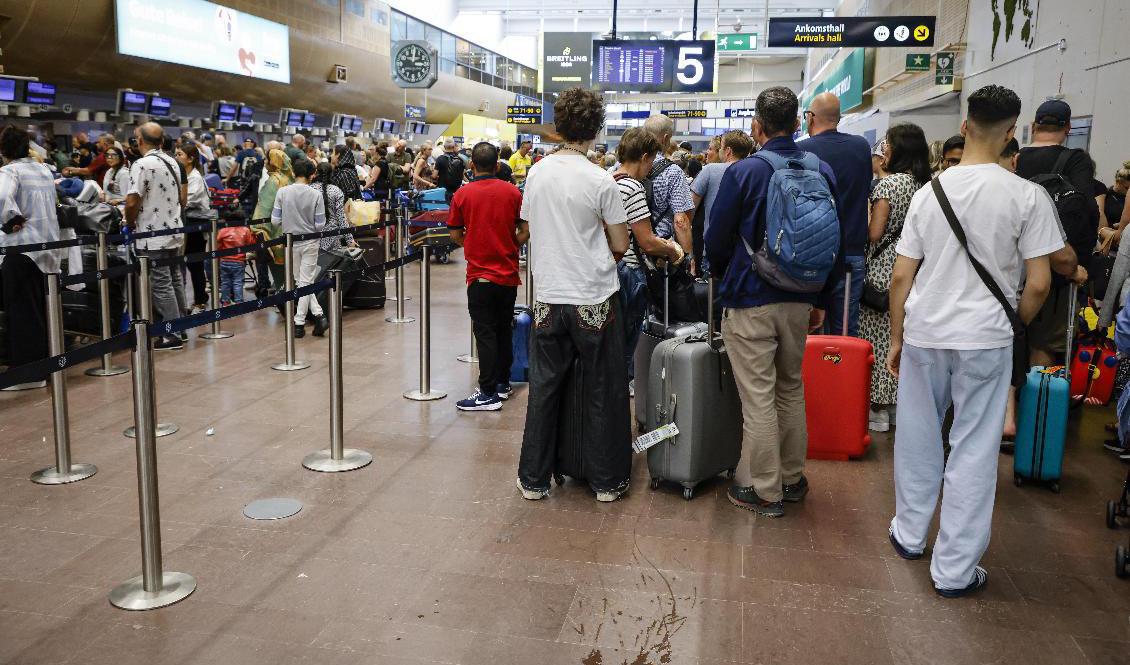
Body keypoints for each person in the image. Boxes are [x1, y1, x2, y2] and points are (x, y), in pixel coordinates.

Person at [886, 84, 1064, 597]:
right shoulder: (1028, 196)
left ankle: (909, 533)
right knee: (974, 449)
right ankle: (954, 570)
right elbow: (1039, 282)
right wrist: (1013, 322)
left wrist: (897, 337)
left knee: (919, 436)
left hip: (925, 331)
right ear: (1014, 133)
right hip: (986, 337)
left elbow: (902, 277)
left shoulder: (930, 192)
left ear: (964, 128)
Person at [705, 86, 845, 518]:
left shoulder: (745, 172)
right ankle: (791, 476)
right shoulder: (822, 170)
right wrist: (821, 296)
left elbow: (715, 239)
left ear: (757, 127)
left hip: (751, 298)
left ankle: (764, 491)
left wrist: (722, 275)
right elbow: (833, 240)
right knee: (790, 387)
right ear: (799, 122)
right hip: (802, 297)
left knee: (759, 397)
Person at [516, 86, 631, 503]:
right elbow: (620, 244)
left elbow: (528, 225)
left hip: (548, 294)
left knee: (544, 387)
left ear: (560, 126)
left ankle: (533, 478)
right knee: (602, 387)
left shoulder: (537, 172)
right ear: (595, 130)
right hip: (593, 296)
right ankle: (606, 482)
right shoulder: (600, 179)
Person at [860, 123, 932, 433]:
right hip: (913, 264)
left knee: (875, 336)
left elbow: (875, 233)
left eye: (887, 144)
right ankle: (896, 404)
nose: (884, 150)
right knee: (900, 333)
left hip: (882, 268)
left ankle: (877, 408)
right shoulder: (925, 185)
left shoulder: (887, 186)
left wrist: (862, 214)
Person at [1015, 99, 1096, 369]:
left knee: (1008, 339)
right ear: (1068, 128)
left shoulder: (1014, 158)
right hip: (1058, 270)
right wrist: (1070, 266)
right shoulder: (1076, 161)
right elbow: (1085, 211)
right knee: (1044, 345)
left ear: (1033, 125)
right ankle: (1037, 408)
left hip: (1010, 267)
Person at [447, 143, 528, 411]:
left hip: (480, 275)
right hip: (507, 275)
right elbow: (525, 229)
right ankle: (503, 384)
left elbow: (455, 233)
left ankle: (487, 392)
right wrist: (509, 245)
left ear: (471, 166)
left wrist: (473, 245)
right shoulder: (513, 192)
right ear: (497, 165)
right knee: (504, 328)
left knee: (485, 332)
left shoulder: (462, 194)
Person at [612, 128, 686, 390]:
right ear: (644, 157)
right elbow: (646, 240)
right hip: (629, 271)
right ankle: (621, 394)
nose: (651, 167)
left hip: (608, 271)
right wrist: (674, 251)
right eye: (652, 160)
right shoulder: (632, 187)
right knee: (625, 342)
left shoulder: (609, 179)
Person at [798, 92, 873, 337]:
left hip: (812, 255)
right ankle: (842, 373)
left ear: (811, 118)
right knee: (844, 331)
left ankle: (814, 376)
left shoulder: (803, 152)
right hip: (851, 254)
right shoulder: (861, 147)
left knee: (811, 330)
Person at [0, 125, 64, 389]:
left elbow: (2, 196)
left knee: (21, 309)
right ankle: (42, 365)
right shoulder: (43, 170)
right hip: (47, 247)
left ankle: (28, 373)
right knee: (39, 309)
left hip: (21, 249)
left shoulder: (9, 171)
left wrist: (9, 220)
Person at [125, 122, 187, 350]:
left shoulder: (142, 164)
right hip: (172, 229)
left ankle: (172, 334)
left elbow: (132, 200)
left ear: (139, 141)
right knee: (174, 278)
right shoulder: (172, 161)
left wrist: (129, 221)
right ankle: (183, 325)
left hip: (152, 233)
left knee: (161, 283)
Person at [272, 158, 327, 338]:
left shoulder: (282, 192)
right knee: (306, 282)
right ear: (312, 175)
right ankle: (312, 319)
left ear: (294, 173)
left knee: (300, 281)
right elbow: (320, 225)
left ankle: (302, 322)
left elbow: (275, 220)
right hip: (311, 242)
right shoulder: (315, 194)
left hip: (290, 242)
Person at [690, 130, 754, 274]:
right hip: (748, 251)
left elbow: (690, 209)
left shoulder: (710, 170)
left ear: (728, 151)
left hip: (714, 248)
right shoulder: (753, 172)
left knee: (714, 293)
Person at [642, 115, 694, 259]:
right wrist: (688, 257)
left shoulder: (624, 166)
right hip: (662, 250)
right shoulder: (673, 172)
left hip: (631, 249)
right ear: (665, 138)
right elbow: (681, 221)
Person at [175, 143, 212, 312]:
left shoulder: (195, 177)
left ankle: (200, 300)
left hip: (195, 225)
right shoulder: (182, 174)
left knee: (195, 264)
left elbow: (186, 200)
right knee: (190, 264)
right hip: (186, 223)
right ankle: (198, 297)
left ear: (191, 159)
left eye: (180, 155)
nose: (177, 157)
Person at [251, 149, 294, 295]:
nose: (265, 162)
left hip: (275, 233)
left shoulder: (273, 181)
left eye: (267, 159)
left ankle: (284, 301)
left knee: (279, 271)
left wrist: (258, 229)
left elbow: (264, 207)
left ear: (274, 162)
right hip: (293, 231)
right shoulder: (290, 179)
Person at [311, 162, 354, 253]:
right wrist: (350, 240)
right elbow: (341, 218)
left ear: (316, 173)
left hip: (312, 238)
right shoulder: (336, 191)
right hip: (333, 237)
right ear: (331, 174)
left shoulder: (309, 190)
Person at [215, 220, 255, 305]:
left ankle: (226, 302)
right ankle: (239, 302)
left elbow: (217, 246)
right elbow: (250, 243)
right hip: (239, 261)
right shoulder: (245, 230)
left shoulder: (223, 230)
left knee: (225, 282)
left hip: (224, 261)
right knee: (238, 282)